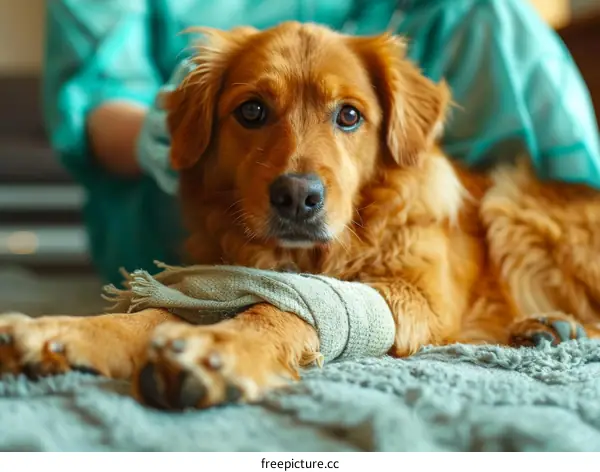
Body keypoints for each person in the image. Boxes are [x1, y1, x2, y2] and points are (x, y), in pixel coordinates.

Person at [43, 0, 600, 286]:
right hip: (172, 207)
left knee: (493, 13)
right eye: (255, 110)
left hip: (391, 192)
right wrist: (170, 128)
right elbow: (94, 95)